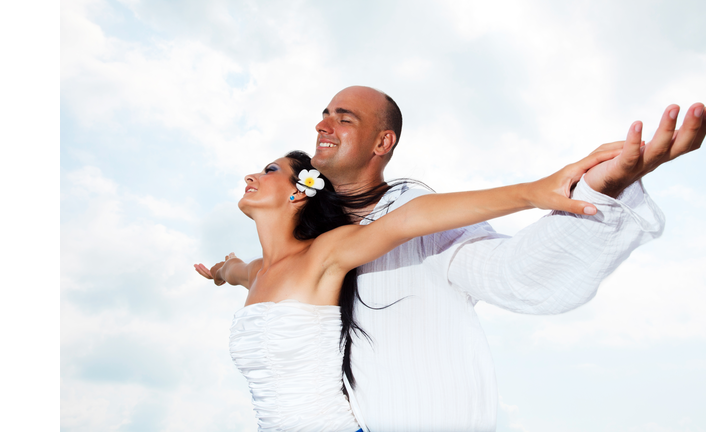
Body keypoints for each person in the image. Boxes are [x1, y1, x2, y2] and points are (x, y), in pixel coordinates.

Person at [304, 86, 706, 431]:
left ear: (382, 143)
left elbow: (511, 273)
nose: (323, 126)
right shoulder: (310, 236)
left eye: (344, 119)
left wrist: (599, 189)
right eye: (324, 115)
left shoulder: (419, 219)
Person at [194, 146, 622, 431]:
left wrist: (532, 193)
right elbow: (231, 270)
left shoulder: (324, 255)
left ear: (298, 193)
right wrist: (218, 270)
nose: (252, 174)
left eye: (270, 171)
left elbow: (409, 219)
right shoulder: (255, 273)